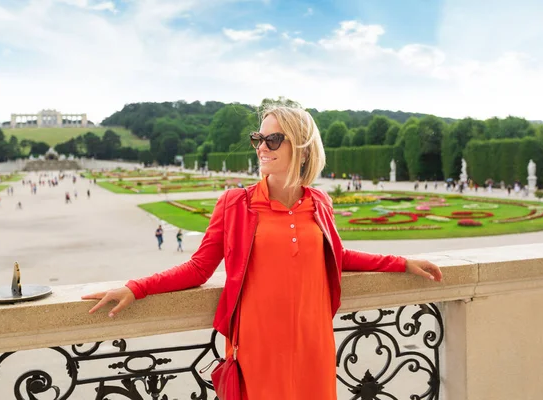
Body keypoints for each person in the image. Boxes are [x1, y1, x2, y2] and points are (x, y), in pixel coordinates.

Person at [82, 105, 442, 400]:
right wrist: (136, 287)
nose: (261, 146)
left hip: (313, 342)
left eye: (272, 138)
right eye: (259, 138)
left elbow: (338, 256)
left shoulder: (319, 202)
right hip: (258, 348)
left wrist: (403, 263)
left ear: (300, 145)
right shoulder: (236, 203)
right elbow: (199, 267)